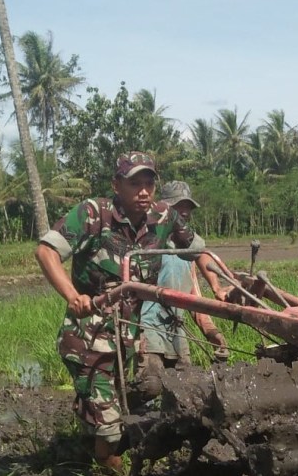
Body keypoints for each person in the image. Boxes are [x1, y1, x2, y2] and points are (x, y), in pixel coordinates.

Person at [35, 151, 202, 473]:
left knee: (119, 404)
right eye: (134, 183)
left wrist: (221, 283)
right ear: (116, 185)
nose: (143, 191)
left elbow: (198, 250)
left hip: (127, 338)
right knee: (111, 429)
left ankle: (90, 422)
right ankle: (108, 463)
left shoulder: (163, 216)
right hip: (89, 339)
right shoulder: (93, 214)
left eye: (149, 183)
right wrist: (73, 297)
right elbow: (46, 251)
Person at [134, 181, 229, 400]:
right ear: (165, 210)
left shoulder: (188, 251)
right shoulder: (149, 243)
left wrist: (211, 332)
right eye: (178, 207)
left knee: (186, 387)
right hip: (147, 328)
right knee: (151, 385)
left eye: (188, 207)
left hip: (176, 332)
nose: (185, 212)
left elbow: (194, 298)